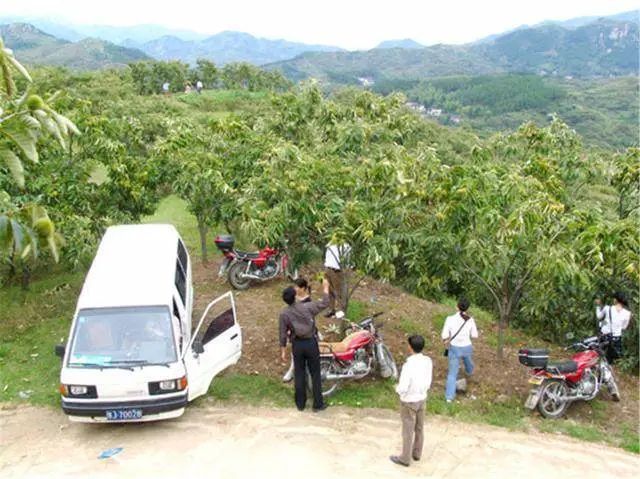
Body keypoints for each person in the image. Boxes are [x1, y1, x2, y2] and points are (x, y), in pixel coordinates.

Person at [279, 278, 330, 411]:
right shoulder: (308, 307)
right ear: (295, 296)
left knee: (299, 373)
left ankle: (300, 404)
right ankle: (318, 404)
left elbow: (282, 333)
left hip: (297, 345)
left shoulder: (284, 313)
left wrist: (283, 351)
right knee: (315, 373)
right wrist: (325, 287)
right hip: (311, 343)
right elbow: (325, 303)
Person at [390, 335, 432, 468]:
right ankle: (417, 453)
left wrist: (397, 390)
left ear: (410, 347)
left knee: (408, 430)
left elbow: (404, 386)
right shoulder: (428, 361)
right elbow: (429, 379)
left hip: (409, 400)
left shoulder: (408, 365)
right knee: (419, 428)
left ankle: (405, 458)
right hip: (422, 397)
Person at [441, 297, 478, 403]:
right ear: (467, 308)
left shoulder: (450, 319)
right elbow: (474, 335)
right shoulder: (470, 320)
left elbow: (444, 335)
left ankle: (449, 397)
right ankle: (469, 371)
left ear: (457, 307)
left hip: (454, 348)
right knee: (468, 361)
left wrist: (446, 339)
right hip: (467, 347)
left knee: (452, 373)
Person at [282, 277, 313, 382]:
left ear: (303, 288)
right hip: (296, 331)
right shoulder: (296, 299)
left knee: (296, 354)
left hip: (303, 332)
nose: (295, 289)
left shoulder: (307, 302)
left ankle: (292, 372)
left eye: (297, 287)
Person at [596, 292, 631, 364]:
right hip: (616, 338)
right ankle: (607, 371)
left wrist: (598, 306)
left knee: (600, 356)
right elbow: (624, 327)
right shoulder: (628, 313)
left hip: (605, 336)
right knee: (609, 360)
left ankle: (600, 370)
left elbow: (599, 316)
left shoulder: (607, 308)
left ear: (615, 300)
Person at [323, 242, 351, 328]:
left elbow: (347, 260)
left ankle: (341, 311)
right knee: (330, 290)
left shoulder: (345, 246)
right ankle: (331, 309)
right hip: (328, 269)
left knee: (339, 292)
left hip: (337, 271)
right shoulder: (330, 243)